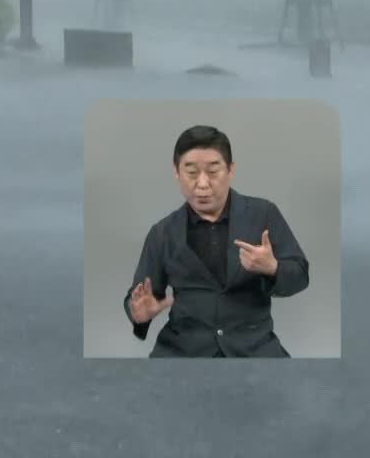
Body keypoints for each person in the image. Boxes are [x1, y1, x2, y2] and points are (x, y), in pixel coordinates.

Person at [124, 125, 310, 357]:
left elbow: (300, 275)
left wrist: (273, 268)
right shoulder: (162, 233)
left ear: (231, 170)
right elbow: (141, 295)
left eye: (213, 171)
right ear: (176, 171)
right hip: (183, 352)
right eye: (191, 172)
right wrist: (138, 313)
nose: (202, 184)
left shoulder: (263, 214)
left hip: (254, 348)